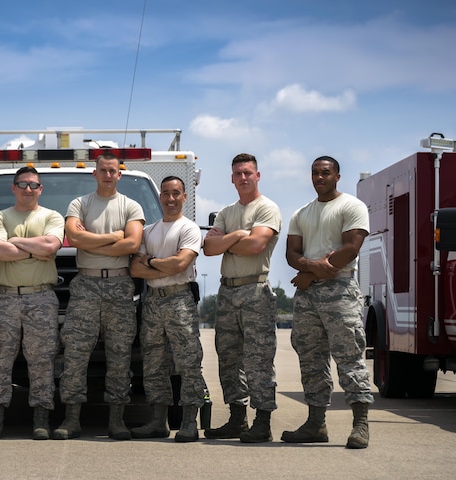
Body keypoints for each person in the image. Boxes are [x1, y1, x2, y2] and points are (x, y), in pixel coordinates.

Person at [282, 155, 373, 449]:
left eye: (325, 173)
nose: (319, 177)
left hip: (340, 290)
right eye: (315, 173)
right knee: (311, 359)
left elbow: (351, 247)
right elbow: (291, 254)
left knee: (349, 357)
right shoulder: (301, 213)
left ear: (337, 176)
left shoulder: (351, 206)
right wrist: (309, 269)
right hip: (307, 296)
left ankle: (360, 425)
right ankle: (315, 424)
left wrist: (313, 272)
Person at [53, 152, 145, 441]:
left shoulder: (131, 206)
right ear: (94, 173)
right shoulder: (79, 204)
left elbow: (133, 243)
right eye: (103, 170)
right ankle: (71, 419)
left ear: (120, 174)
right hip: (86, 286)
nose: (108, 175)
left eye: (112, 170)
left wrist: (94, 243)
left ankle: (116, 420)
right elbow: (75, 238)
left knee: (120, 356)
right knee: (75, 355)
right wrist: (114, 237)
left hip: (119, 287)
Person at [202, 153, 281, 444]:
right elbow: (209, 248)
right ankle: (237, 418)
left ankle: (262, 421)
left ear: (257, 176)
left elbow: (257, 244)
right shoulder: (226, 212)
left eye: (248, 172)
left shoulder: (267, 208)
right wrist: (238, 235)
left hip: (255, 290)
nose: (243, 178)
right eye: (238, 173)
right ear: (232, 178)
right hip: (227, 291)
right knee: (229, 357)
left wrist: (228, 242)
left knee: (258, 358)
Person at [0, 166, 65, 440]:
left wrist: (14, 242)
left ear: (41, 189)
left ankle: (41, 419)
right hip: (5, 297)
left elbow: (51, 247)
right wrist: (34, 250)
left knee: (42, 360)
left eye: (33, 185)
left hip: (41, 297)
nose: (28, 189)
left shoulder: (52, 216)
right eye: (23, 184)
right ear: (13, 187)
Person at [130, 176, 209, 443]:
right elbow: (135, 269)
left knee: (187, 363)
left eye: (176, 193)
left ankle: (189, 421)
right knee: (153, 364)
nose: (171, 198)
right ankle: (157, 421)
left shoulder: (189, 229)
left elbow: (180, 264)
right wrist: (163, 263)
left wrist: (151, 261)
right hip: (152, 301)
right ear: (160, 197)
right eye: (166, 193)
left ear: (184, 197)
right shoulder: (149, 231)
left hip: (179, 301)